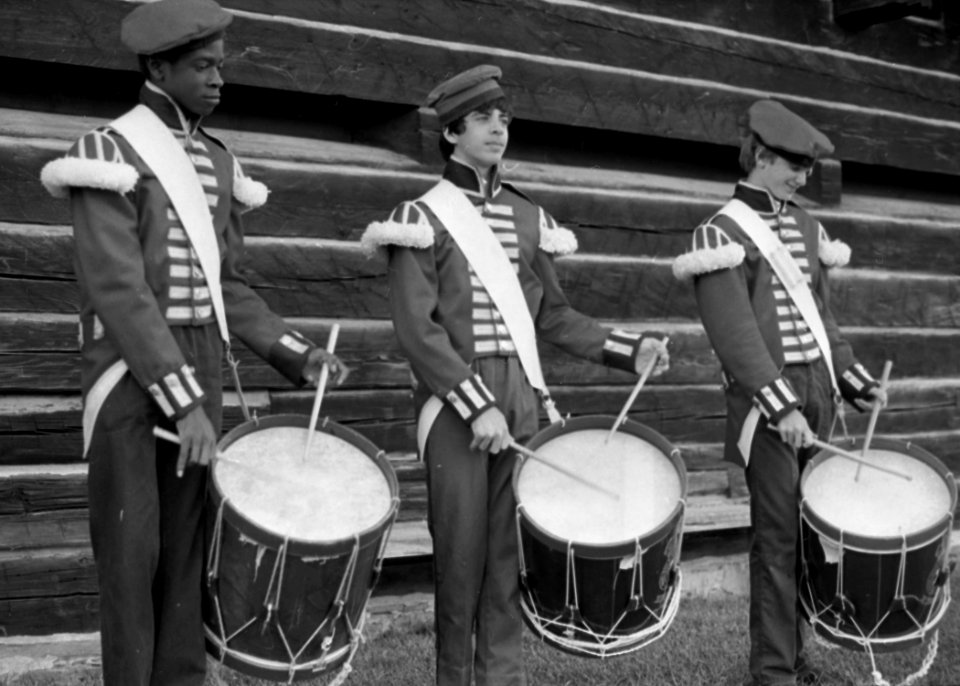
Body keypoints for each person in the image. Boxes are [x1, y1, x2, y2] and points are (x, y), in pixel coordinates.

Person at [39, 1, 348, 684]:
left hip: (199, 365)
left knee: (187, 551)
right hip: (128, 372)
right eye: (202, 67)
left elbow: (226, 284)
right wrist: (182, 402)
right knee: (131, 554)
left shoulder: (215, 158)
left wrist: (293, 350)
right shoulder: (107, 152)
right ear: (158, 67)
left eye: (220, 66)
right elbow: (120, 292)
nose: (218, 81)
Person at [361, 65, 670, 686]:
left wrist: (625, 349)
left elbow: (550, 314)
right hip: (455, 402)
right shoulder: (420, 215)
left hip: (521, 396)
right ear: (451, 132)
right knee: (460, 554)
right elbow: (418, 330)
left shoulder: (527, 215)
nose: (497, 127)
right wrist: (476, 405)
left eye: (503, 117)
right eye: (482, 118)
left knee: (508, 557)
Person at [672, 99, 887, 686]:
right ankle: (772, 672)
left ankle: (796, 656)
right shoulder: (720, 231)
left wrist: (854, 379)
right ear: (760, 157)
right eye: (793, 165)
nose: (802, 177)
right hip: (766, 401)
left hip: (816, 387)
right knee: (777, 537)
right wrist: (781, 404)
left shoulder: (807, 226)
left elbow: (822, 321)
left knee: (811, 534)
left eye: (807, 168)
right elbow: (734, 334)